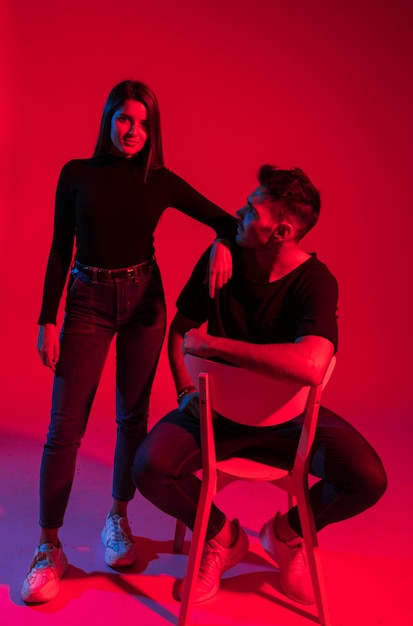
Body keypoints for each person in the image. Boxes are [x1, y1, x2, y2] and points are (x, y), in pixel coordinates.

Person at [21, 80, 237, 604]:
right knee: (63, 427)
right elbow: (57, 250)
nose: (133, 131)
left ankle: (117, 518)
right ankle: (50, 547)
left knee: (131, 419)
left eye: (143, 123)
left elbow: (228, 222)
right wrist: (46, 319)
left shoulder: (157, 180)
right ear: (108, 120)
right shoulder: (77, 174)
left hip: (144, 302)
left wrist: (220, 248)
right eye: (124, 119)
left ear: (153, 129)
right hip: (87, 301)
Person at [133, 164, 387, 606]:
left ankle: (287, 535)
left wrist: (215, 345)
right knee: (149, 468)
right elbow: (180, 332)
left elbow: (311, 364)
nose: (239, 214)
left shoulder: (316, 282)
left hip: (289, 421)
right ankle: (221, 538)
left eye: (251, 212)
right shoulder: (224, 256)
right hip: (214, 414)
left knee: (367, 479)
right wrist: (184, 389)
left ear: (281, 232)